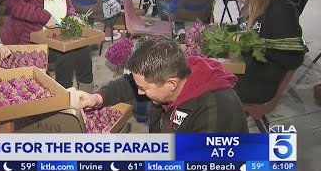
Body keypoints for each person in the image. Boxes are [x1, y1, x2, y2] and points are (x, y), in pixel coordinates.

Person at [77, 36, 248, 133]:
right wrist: (97, 98)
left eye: (144, 89)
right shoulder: (172, 70)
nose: (140, 93)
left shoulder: (217, 110)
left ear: (171, 84)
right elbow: (129, 84)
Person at [0, 0, 94, 93]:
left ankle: (88, 96)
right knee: (67, 55)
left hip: (56, 37)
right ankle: (65, 96)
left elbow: (68, 5)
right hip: (31, 41)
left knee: (83, 51)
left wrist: (72, 16)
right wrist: (45, 16)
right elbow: (14, 4)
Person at [234, 0, 304, 104]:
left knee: (206, 87)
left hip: (259, 83)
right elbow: (245, 31)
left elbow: (294, 57)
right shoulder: (252, 3)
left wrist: (259, 44)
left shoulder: (281, 9)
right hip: (244, 70)